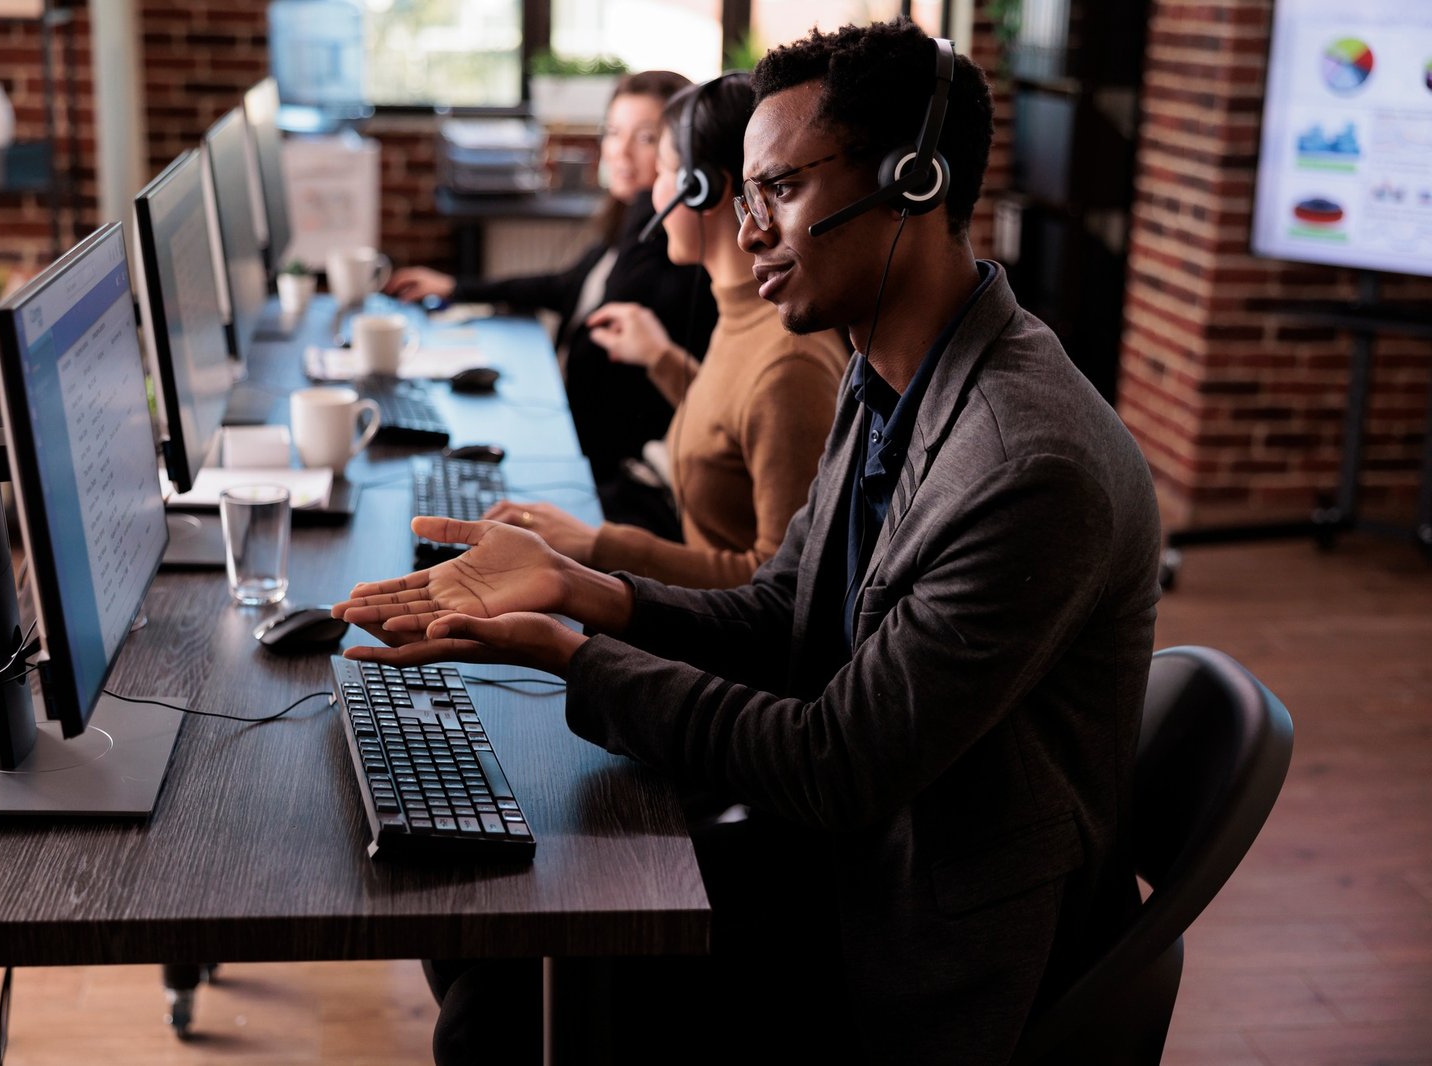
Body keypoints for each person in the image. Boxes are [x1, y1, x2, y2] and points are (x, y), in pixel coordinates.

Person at [339, 18, 1161, 1064]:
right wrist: (583, 588)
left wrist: (574, 655)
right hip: (857, 856)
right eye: (742, 190)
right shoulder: (886, 371)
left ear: (913, 182)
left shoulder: (1025, 463)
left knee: (514, 974)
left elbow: (835, 764)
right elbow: (784, 609)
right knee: (491, 915)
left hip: (923, 935)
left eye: (778, 188)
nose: (747, 222)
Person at [484, 73, 847, 589]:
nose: (652, 194)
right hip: (685, 592)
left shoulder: (788, 363)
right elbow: (727, 428)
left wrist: (595, 545)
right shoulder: (741, 312)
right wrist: (660, 358)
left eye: (666, 171)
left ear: (701, 190)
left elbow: (779, 587)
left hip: (717, 640)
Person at [384, 71, 720, 506]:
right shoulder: (623, 230)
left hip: (608, 468)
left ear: (684, 155)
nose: (619, 151)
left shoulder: (674, 254)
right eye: (613, 132)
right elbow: (566, 288)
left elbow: (616, 300)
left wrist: (646, 202)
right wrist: (457, 286)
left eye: (646, 138)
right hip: (571, 435)